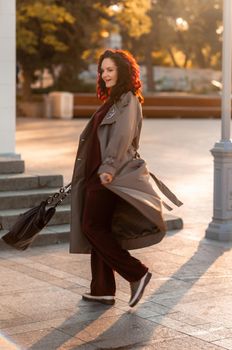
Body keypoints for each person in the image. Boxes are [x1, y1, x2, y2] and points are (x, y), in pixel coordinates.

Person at [70, 49, 182, 307]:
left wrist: (107, 168)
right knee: (99, 228)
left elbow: (121, 137)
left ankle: (137, 273)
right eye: (102, 70)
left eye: (110, 69)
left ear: (122, 70)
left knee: (92, 227)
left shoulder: (128, 100)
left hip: (110, 176)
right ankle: (101, 289)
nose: (104, 74)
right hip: (96, 175)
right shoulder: (112, 101)